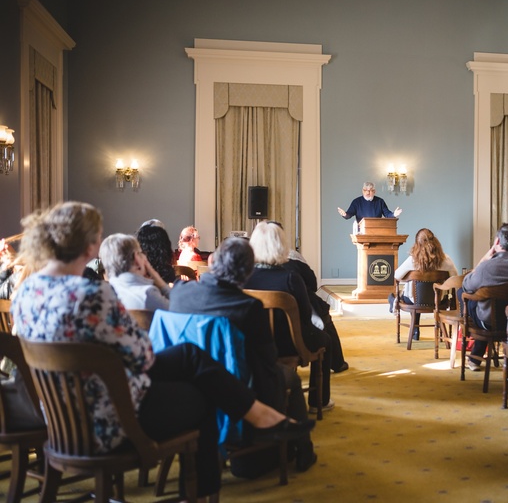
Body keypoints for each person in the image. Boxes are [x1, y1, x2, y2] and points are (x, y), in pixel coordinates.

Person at [9, 201, 314, 499]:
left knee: (189, 356)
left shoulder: (26, 291)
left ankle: (258, 416)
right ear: (90, 246)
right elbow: (143, 356)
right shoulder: (94, 294)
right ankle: (203, 485)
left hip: (57, 414)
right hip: (109, 417)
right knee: (203, 390)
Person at [169, 236, 318, 475]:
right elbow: (268, 361)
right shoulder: (248, 307)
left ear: (213, 260)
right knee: (289, 378)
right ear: (248, 271)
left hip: (186, 384)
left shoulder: (179, 293)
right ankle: (303, 449)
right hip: (237, 382)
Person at [245, 221, 334, 414]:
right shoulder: (290, 278)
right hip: (290, 344)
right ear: (281, 245)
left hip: (252, 343)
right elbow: (304, 315)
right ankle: (319, 401)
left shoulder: (243, 277)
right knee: (325, 340)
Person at [460, 223, 508, 371]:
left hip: (489, 324)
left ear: (497, 242)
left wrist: (483, 260)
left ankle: (476, 355)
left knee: (464, 294)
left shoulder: (487, 267)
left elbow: (466, 285)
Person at [283, 247, 349, 373]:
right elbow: (313, 285)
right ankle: (337, 363)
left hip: (263, 338)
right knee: (324, 325)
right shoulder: (292, 259)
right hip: (300, 332)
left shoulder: (252, 268)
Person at [388, 228, 458, 339]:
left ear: (417, 243)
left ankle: (415, 329)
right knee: (421, 294)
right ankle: (423, 329)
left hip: (415, 301)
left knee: (404, 296)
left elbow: (396, 276)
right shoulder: (446, 260)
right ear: (435, 241)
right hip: (438, 301)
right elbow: (455, 278)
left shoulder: (412, 260)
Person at [99, 233, 171, 311]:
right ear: (136, 258)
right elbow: (181, 310)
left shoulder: (103, 294)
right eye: (141, 252)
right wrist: (162, 284)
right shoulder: (147, 294)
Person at [337, 181, 402, 223]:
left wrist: (394, 214)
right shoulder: (356, 202)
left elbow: (387, 214)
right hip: (361, 233)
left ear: (374, 191)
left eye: (370, 190)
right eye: (365, 190)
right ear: (362, 191)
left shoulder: (380, 201)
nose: (368, 192)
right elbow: (349, 214)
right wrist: (345, 214)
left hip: (377, 231)